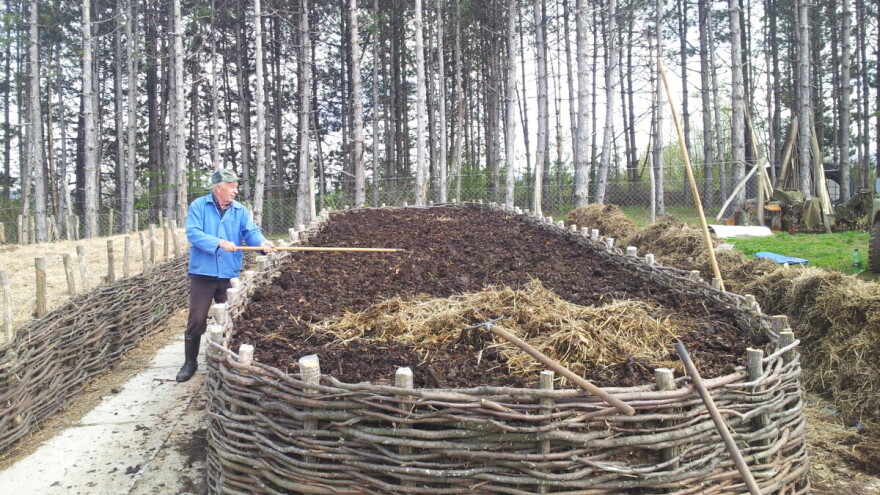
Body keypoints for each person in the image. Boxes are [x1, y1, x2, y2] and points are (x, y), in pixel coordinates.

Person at [176, 169, 276, 382]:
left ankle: (226, 363)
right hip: (203, 273)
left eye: (236, 187)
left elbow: (251, 232)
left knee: (232, 318)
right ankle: (190, 362)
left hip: (229, 273)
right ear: (218, 187)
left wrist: (262, 243)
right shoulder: (199, 206)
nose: (235, 192)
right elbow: (193, 233)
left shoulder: (239, 210)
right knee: (197, 318)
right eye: (232, 187)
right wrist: (219, 243)